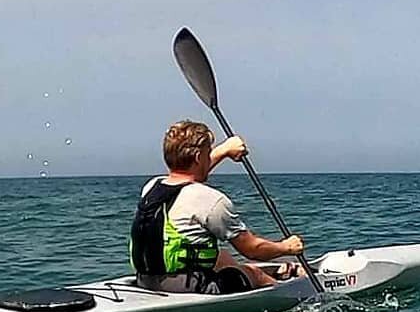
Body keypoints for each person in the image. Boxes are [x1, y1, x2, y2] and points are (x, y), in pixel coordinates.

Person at [130, 120, 305, 293]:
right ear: (199, 158)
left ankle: (275, 274)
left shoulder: (152, 187)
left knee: (222, 257)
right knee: (254, 273)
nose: (210, 157)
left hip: (145, 280)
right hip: (186, 286)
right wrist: (287, 247)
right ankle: (288, 291)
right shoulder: (212, 201)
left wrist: (224, 151)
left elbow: (187, 173)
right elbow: (253, 250)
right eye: (208, 153)